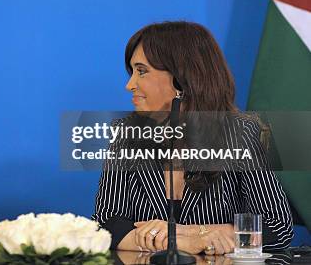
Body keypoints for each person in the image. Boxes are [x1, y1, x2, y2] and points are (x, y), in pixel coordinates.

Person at [92, 21, 293, 255]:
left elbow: (277, 228)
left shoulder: (242, 132)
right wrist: (180, 242)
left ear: (181, 78)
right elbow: (104, 223)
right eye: (132, 72)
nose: (129, 85)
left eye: (142, 71)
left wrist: (190, 232)